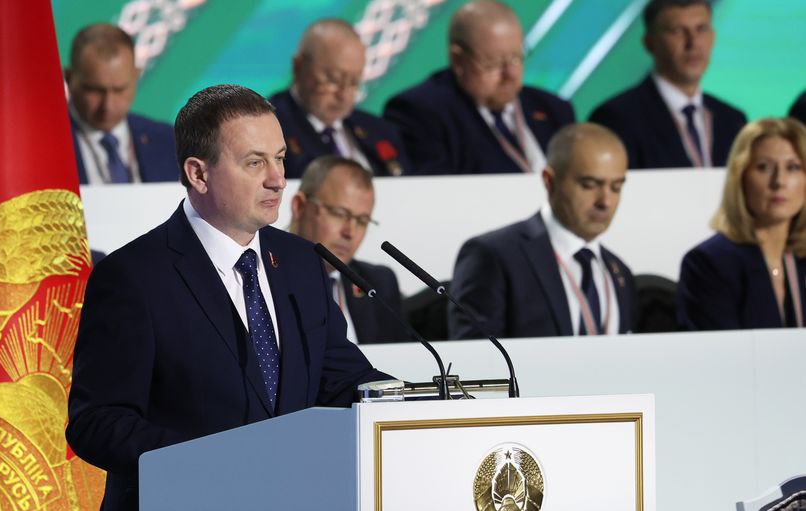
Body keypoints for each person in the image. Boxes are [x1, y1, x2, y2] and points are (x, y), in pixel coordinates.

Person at [66, 84, 391, 511]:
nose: (278, 180)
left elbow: (342, 378)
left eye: (280, 159)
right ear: (198, 173)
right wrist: (211, 463)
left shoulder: (301, 262)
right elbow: (97, 421)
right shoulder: (133, 276)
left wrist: (418, 407)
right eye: (255, 162)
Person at [449, 123, 636, 339]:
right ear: (549, 180)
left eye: (616, 187)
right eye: (590, 184)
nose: (605, 201)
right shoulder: (493, 256)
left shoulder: (619, 272)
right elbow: (475, 354)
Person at [383, 0, 574, 175]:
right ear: (458, 59)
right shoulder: (421, 113)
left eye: (516, 57)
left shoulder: (554, 109)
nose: (509, 74)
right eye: (493, 63)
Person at [678, 118, 806, 330]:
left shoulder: (800, 259)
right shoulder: (710, 264)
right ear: (740, 177)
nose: (779, 181)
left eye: (793, 167)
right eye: (764, 167)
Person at [589, 0, 746, 169]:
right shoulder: (617, 118)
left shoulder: (733, 120)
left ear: (713, 36)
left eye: (701, 29)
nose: (693, 43)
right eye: (677, 31)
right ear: (649, 43)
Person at [269, 19, 409, 179]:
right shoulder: (269, 127)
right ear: (298, 67)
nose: (344, 94)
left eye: (354, 82)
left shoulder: (380, 131)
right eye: (334, 79)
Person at [289, 155, 408, 344]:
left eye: (362, 221)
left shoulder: (378, 284)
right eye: (339, 214)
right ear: (300, 206)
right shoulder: (261, 277)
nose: (350, 232)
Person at [65, 23, 178, 184]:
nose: (108, 105)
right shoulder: (42, 147)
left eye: (119, 90)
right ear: (69, 79)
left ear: (136, 76)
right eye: (95, 90)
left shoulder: (170, 142)